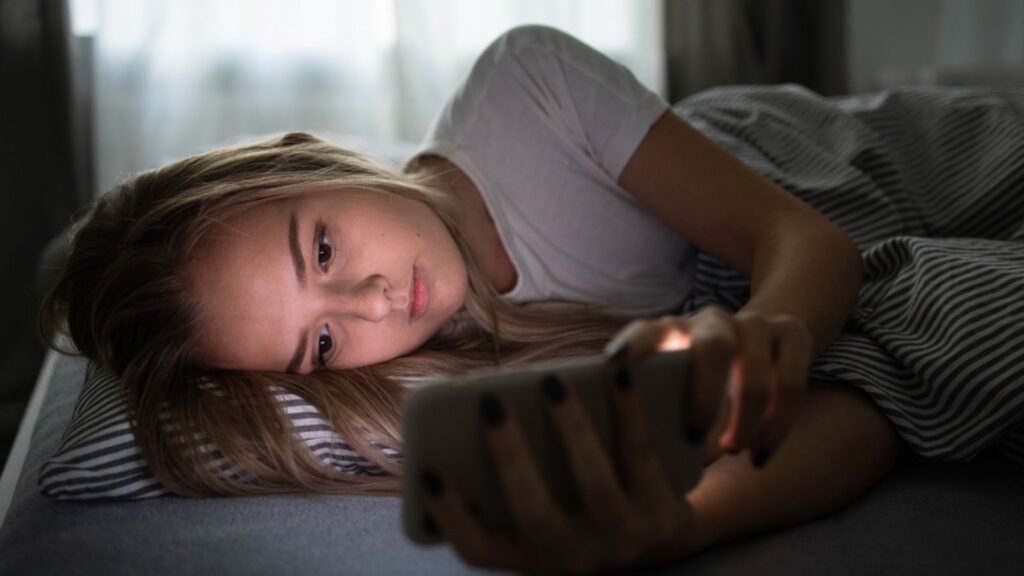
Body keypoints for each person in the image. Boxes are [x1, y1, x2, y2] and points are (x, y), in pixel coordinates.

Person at [39, 24, 1024, 574]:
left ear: (306, 154)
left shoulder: (528, 86)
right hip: (754, 292)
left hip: (834, 172)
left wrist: (773, 329)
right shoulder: (423, 371)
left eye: (325, 246)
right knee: (911, 336)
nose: (376, 302)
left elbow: (806, 243)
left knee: (900, 295)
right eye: (324, 342)